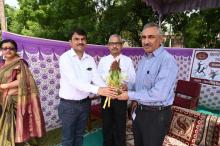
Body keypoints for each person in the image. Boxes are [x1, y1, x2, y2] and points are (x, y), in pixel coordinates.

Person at [117, 22, 178, 146]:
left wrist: (129, 95)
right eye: (143, 37)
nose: (146, 41)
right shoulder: (144, 58)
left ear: (161, 39)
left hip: (156, 115)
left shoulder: (167, 61)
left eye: (151, 37)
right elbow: (139, 84)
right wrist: (127, 87)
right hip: (140, 111)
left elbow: (159, 94)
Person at [58, 29, 118, 146]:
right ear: (70, 42)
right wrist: (99, 90)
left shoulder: (90, 59)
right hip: (69, 106)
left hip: (85, 104)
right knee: (68, 138)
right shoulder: (65, 58)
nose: (80, 42)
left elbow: (96, 79)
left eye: (83, 39)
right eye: (77, 39)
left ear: (86, 42)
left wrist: (109, 89)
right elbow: (74, 82)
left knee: (80, 135)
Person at [0, 39, 46, 146]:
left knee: (20, 124)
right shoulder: (2, 64)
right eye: (5, 48)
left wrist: (4, 86)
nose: (8, 50)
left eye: (11, 48)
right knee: (10, 126)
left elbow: (23, 80)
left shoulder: (20, 62)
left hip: (18, 100)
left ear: (15, 50)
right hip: (4, 99)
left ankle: (25, 142)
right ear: (1, 50)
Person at [98, 34, 135, 146]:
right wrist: (106, 85)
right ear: (108, 46)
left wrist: (126, 85)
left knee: (120, 125)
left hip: (121, 97)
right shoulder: (103, 61)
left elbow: (133, 78)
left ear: (121, 45)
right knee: (107, 125)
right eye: (112, 44)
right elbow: (97, 79)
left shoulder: (127, 61)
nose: (114, 46)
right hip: (106, 97)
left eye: (117, 43)